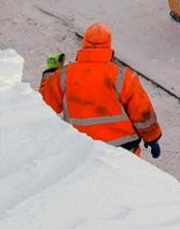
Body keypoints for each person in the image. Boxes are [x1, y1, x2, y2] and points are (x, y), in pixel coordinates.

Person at [39, 23, 163, 156]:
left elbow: (45, 105)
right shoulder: (124, 77)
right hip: (123, 150)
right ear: (109, 47)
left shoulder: (64, 75)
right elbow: (142, 112)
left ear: (84, 45)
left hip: (80, 150)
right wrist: (152, 138)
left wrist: (51, 72)